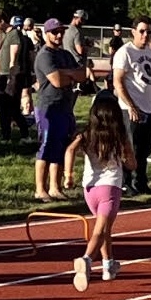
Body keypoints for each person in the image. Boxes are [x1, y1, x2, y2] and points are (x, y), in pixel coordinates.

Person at [64, 97, 136, 291]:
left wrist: (68, 175)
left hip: (90, 189)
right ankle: (87, 259)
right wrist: (126, 158)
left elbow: (70, 150)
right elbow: (132, 164)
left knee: (105, 230)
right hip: (110, 188)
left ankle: (108, 264)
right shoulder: (120, 137)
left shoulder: (86, 135)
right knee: (99, 230)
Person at [33, 19, 88, 201]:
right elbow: (56, 81)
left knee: (61, 146)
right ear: (47, 33)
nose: (58, 35)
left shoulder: (65, 55)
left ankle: (55, 187)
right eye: (54, 32)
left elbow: (82, 75)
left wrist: (68, 74)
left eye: (60, 32)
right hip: (48, 107)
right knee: (46, 146)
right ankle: (40, 188)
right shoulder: (44, 55)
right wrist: (69, 75)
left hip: (65, 106)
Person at [112, 17, 151, 195]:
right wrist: (131, 106)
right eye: (142, 31)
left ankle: (141, 181)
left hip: (149, 108)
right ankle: (125, 182)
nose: (146, 35)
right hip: (130, 109)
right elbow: (118, 81)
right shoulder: (125, 53)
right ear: (133, 32)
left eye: (149, 32)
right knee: (130, 147)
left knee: (144, 149)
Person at [0, 15, 31, 141]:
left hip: (12, 75)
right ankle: (5, 136)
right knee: (2, 107)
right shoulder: (4, 35)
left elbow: (14, 51)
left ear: (2, 21)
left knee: (12, 106)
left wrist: (12, 70)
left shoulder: (14, 34)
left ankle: (25, 135)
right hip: (2, 74)